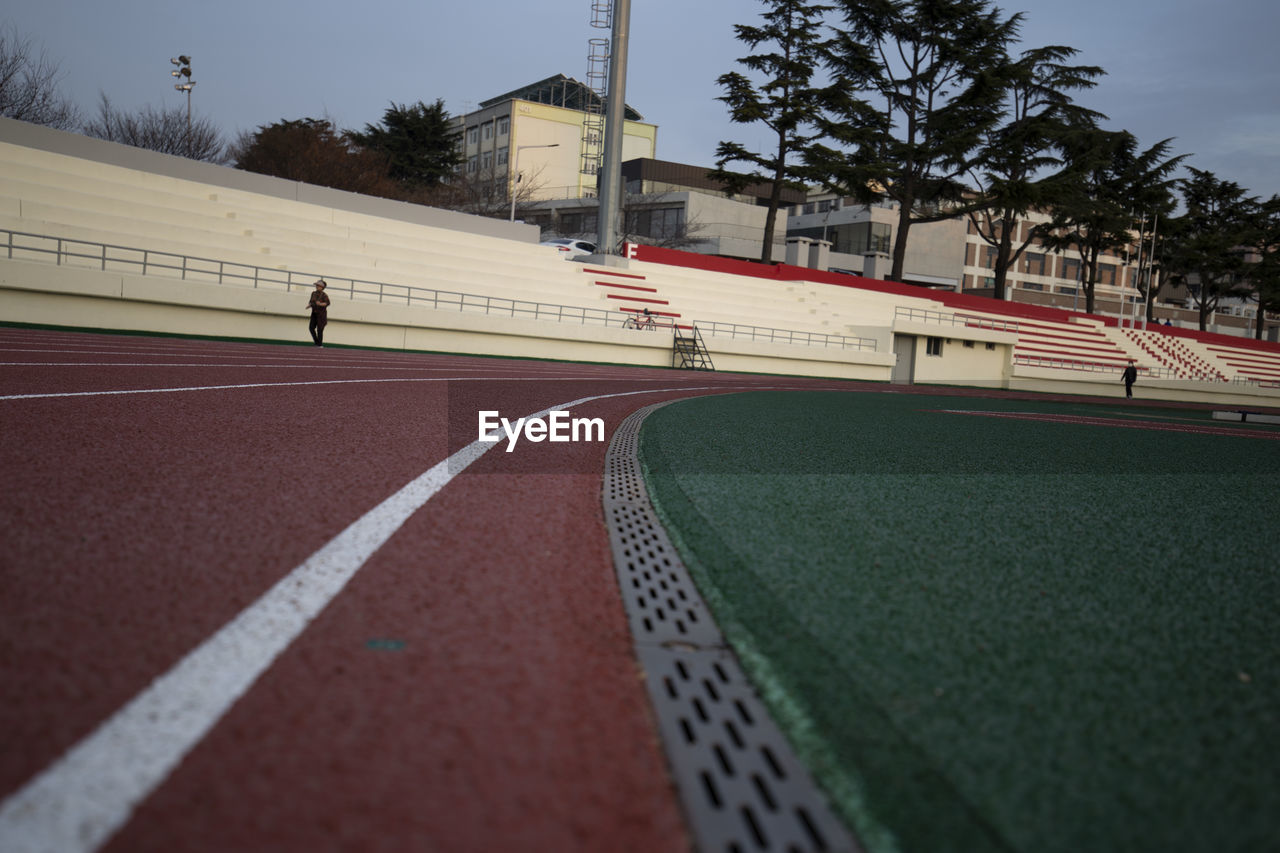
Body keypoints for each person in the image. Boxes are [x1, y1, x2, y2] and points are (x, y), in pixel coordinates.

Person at [307, 279, 330, 347]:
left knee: (320, 329)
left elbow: (327, 303)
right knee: (311, 328)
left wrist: (320, 304)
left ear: (322, 287)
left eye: (318, 285)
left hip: (321, 315)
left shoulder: (324, 295)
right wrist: (310, 305)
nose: (316, 286)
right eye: (316, 285)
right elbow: (311, 301)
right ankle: (317, 342)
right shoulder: (313, 293)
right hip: (314, 313)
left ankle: (319, 344)